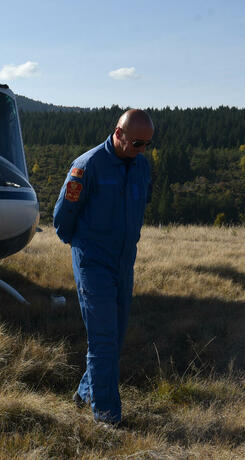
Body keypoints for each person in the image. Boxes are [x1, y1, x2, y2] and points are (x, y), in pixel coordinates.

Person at [53, 109, 154, 425]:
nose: (141, 150)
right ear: (119, 133)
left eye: (147, 144)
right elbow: (62, 218)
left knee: (116, 336)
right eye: (137, 143)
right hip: (94, 263)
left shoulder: (141, 167)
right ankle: (107, 418)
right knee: (104, 341)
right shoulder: (88, 166)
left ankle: (85, 394)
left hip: (123, 265)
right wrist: (85, 250)